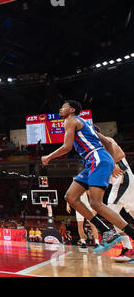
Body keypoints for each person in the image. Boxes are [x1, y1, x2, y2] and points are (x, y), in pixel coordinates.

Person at [41, 100, 134, 253]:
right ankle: (106, 231)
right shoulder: (87, 125)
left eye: (63, 106)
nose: (60, 108)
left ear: (71, 110)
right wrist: (110, 161)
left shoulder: (70, 120)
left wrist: (49, 157)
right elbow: (108, 143)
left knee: (96, 203)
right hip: (93, 161)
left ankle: (126, 234)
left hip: (96, 158)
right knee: (70, 197)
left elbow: (67, 147)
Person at [92, 126, 134, 261]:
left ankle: (127, 247)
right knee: (119, 214)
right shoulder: (95, 149)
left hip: (123, 180)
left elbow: (121, 154)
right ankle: (128, 248)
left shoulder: (107, 140)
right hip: (121, 183)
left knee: (110, 212)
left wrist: (111, 164)